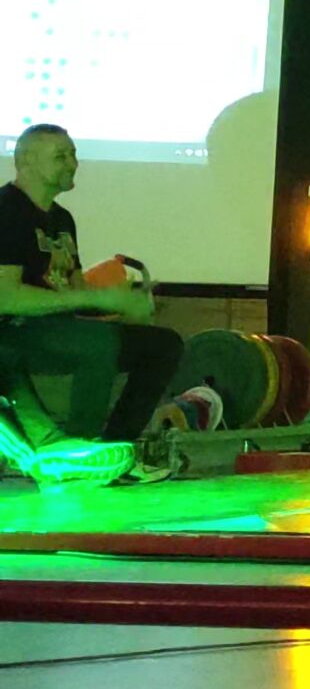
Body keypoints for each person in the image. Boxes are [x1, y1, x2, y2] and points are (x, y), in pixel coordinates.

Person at [0, 125, 183, 478]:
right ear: (26, 161)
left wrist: (123, 303)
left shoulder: (62, 219)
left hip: (57, 329)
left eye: (73, 154)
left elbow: (75, 295)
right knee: (98, 343)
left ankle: (116, 448)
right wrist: (97, 297)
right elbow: (6, 297)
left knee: (163, 345)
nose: (73, 163)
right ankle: (78, 449)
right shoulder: (7, 210)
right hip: (14, 331)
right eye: (61, 156)